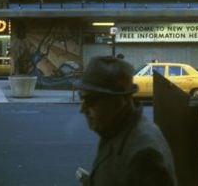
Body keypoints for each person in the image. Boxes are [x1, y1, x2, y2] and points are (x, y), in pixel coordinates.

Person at [75, 55, 178, 186]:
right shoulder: (114, 130)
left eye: (90, 100)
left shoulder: (144, 156)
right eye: (81, 98)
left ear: (119, 100)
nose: (82, 109)